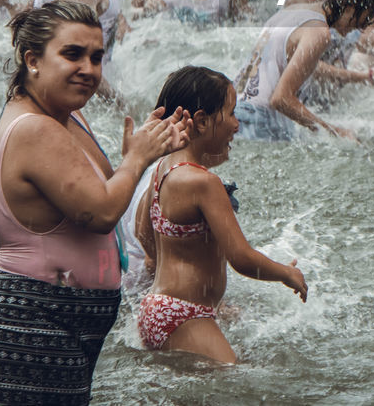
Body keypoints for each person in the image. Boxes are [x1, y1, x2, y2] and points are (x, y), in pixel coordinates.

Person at [0, 1, 190, 405]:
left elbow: (99, 195)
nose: (88, 69)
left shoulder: (66, 116)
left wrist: (140, 159)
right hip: (37, 319)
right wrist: (136, 159)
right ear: (32, 59)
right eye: (72, 54)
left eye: (96, 57)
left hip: (61, 320)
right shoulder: (35, 128)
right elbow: (102, 214)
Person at [130, 66, 306, 362]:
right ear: (201, 121)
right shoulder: (203, 182)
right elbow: (241, 258)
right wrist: (286, 273)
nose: (237, 125)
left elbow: (143, 233)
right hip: (185, 315)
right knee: (237, 380)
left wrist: (180, 269)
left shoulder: (162, 170)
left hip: (157, 309)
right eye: (232, 113)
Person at [232, 0, 374, 141]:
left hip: (233, 109)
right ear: (351, 6)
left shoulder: (291, 10)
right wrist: (334, 131)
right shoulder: (319, 32)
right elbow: (280, 99)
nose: (362, 28)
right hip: (259, 120)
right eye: (365, 19)